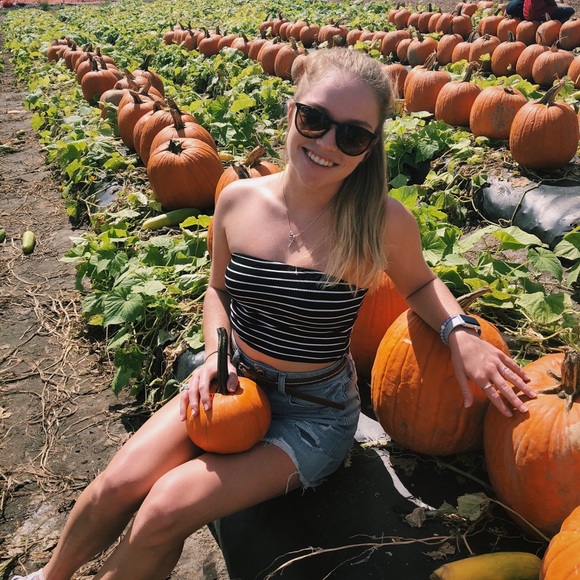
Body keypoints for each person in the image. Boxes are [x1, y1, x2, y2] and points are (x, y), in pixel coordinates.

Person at [12, 47, 537, 580]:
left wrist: (458, 331)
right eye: (315, 119)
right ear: (292, 112)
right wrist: (215, 358)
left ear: (370, 147)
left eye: (352, 136)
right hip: (234, 385)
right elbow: (218, 291)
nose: (327, 143)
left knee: (164, 509)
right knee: (117, 486)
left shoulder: (380, 221)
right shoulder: (237, 200)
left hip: (312, 415)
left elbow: (421, 283)